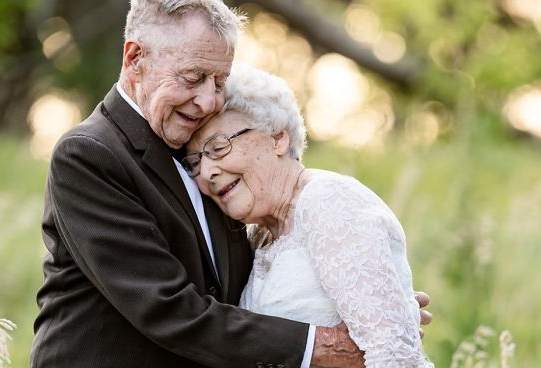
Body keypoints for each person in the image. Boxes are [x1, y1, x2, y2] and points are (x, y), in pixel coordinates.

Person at [31, 1, 433, 367]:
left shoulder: (224, 176)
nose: (208, 100)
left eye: (219, 82)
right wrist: (325, 342)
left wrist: (366, 302)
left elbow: (239, 295)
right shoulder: (89, 155)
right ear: (136, 58)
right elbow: (166, 308)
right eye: (193, 77)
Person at [183, 63, 435, 367]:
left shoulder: (328, 200)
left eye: (219, 147)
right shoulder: (259, 236)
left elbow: (394, 353)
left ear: (278, 138)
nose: (208, 172)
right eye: (194, 163)